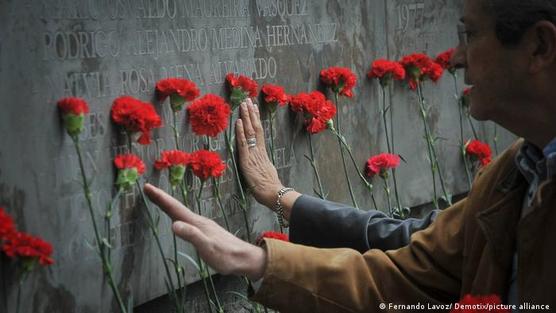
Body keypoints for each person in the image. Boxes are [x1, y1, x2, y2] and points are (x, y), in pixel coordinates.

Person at [144, 0, 556, 311]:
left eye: (470, 34)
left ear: (539, 47)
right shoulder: (513, 174)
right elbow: (407, 268)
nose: (457, 57)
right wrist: (255, 255)